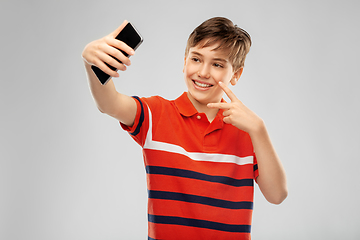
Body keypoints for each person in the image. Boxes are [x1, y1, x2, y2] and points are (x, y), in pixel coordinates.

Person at [82, 17, 287, 240]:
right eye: (196, 59)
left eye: (217, 64)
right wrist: (92, 64)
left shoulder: (248, 132)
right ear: (184, 62)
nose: (203, 72)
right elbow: (108, 103)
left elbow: (277, 194)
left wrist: (259, 129)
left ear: (235, 75)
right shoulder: (155, 114)